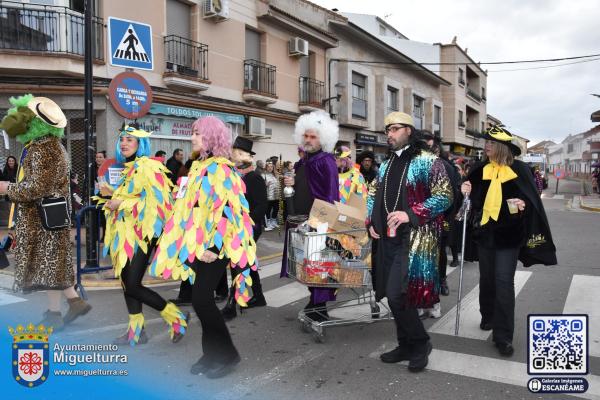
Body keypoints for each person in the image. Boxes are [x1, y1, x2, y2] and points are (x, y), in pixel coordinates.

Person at [150, 117, 256, 378]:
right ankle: (211, 354)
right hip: (199, 246)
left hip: (216, 247)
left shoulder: (221, 168)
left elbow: (229, 211)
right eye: (193, 133)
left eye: (197, 133)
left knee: (201, 300)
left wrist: (214, 247)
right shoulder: (200, 166)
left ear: (210, 137)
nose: (192, 138)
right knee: (202, 301)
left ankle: (227, 355)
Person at [367, 112, 452, 372]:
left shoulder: (429, 161)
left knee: (397, 294)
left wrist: (412, 214)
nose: (389, 134)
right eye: (387, 130)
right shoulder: (385, 164)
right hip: (388, 239)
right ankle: (405, 344)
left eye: (394, 129)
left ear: (408, 131)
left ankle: (420, 342)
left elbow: (445, 196)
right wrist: (371, 220)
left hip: (416, 238)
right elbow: (373, 192)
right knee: (396, 297)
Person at [461, 125, 557, 357]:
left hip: (509, 236)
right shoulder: (478, 168)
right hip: (484, 233)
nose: (486, 146)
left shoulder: (521, 170)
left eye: (491, 143)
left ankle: (503, 336)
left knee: (504, 282)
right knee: (487, 279)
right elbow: (470, 201)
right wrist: (464, 191)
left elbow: (530, 201)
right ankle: (488, 316)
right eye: (486, 142)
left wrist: (520, 206)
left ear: (502, 147)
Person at [0, 94, 92, 330]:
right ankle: (72, 302)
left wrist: (7, 188)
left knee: (50, 266)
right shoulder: (48, 146)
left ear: (35, 123)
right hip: (49, 217)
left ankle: (57, 312)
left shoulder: (45, 149)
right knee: (54, 264)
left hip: (44, 219)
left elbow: (38, 187)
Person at [96, 123, 188, 346]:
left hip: (142, 236)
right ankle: (136, 331)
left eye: (130, 140)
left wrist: (121, 202)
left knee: (134, 284)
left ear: (141, 144)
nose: (124, 143)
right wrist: (110, 197)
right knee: (127, 284)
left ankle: (176, 317)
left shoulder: (148, 166)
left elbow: (158, 202)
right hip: (124, 237)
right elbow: (129, 200)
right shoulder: (128, 168)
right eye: (122, 140)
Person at [280, 110, 339, 321]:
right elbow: (302, 187)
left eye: (313, 136)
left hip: (318, 224)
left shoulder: (326, 161)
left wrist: (323, 225)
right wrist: (291, 184)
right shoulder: (302, 163)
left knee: (317, 267)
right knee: (306, 266)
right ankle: (315, 305)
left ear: (323, 139)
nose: (308, 140)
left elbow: (331, 195)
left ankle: (318, 308)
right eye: (305, 135)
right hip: (302, 222)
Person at [221, 136, 268, 320]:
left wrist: (248, 225)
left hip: (249, 228)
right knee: (246, 262)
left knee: (237, 264)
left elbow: (261, 206)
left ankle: (232, 304)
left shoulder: (254, 177)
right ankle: (259, 296)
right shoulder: (235, 176)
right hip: (236, 227)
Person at [422, 131, 461, 300]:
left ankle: (442, 280)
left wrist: (447, 216)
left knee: (440, 251)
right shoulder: (417, 164)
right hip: (419, 218)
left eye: (430, 147)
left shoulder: (447, 167)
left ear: (436, 149)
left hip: (442, 216)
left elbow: (453, 194)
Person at [262, 161, 280, 231]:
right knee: (268, 210)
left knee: (276, 209)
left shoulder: (275, 174)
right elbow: (261, 185)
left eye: (271, 167)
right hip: (268, 196)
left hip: (276, 196)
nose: (270, 168)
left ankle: (273, 221)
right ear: (266, 167)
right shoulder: (263, 175)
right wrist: (265, 185)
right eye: (268, 167)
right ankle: (268, 223)